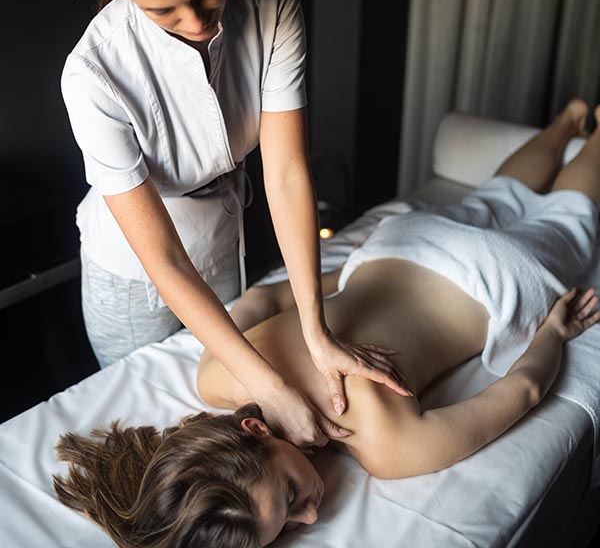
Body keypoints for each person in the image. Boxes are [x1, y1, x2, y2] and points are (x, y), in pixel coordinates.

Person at [54, 99, 600, 547]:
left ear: (253, 430)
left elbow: (524, 390)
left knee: (572, 211)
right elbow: (267, 298)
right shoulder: (217, 372)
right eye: (289, 529)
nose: (309, 519)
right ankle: (567, 120)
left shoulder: (385, 445)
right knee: (494, 196)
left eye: (289, 499)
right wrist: (345, 284)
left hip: (496, 281)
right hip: (398, 248)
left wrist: (553, 331)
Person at [62, 0, 408, 448]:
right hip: (133, 269)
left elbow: (287, 172)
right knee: (153, 425)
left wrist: (319, 334)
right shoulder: (93, 73)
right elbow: (162, 256)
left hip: (221, 234)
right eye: (165, 11)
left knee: (224, 403)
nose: (196, 20)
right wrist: (271, 385)